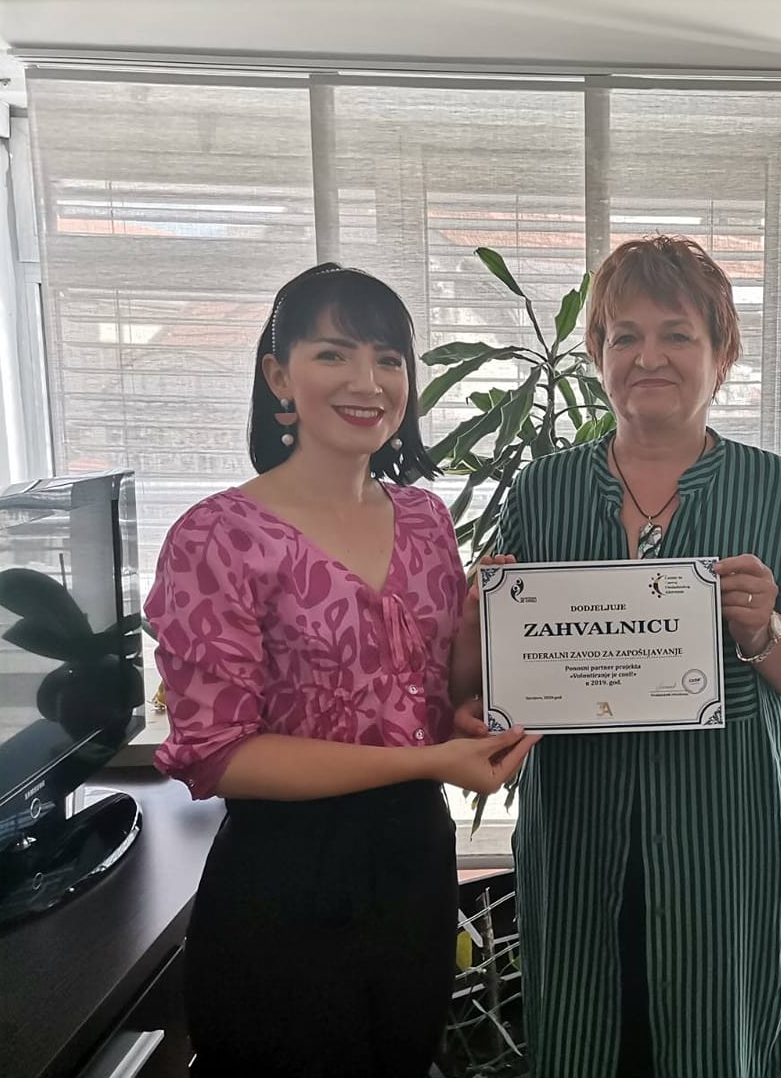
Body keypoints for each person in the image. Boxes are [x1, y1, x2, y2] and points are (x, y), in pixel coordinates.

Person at [457, 235, 781, 1077]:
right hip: (577, 830)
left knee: (716, 1042)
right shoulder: (544, 490)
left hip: (725, 833)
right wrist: (482, 619)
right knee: (583, 1038)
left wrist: (766, 632)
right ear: (598, 354)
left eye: (677, 334)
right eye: (624, 336)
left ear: (721, 354)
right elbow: (486, 676)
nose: (649, 357)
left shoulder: (773, 489)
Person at [147, 263, 539, 1078]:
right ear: (278, 376)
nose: (368, 382)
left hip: (414, 865)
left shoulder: (426, 520)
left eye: (389, 359)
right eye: (334, 354)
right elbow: (220, 754)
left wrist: (473, 638)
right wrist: (429, 761)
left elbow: (433, 699)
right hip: (285, 877)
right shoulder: (217, 536)